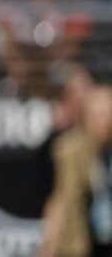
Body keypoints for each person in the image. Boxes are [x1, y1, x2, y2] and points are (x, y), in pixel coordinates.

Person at [41, 85, 112, 257]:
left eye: (107, 113)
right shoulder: (70, 151)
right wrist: (48, 249)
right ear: (85, 116)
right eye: (97, 114)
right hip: (81, 244)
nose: (103, 121)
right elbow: (62, 200)